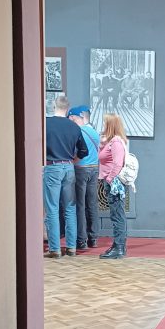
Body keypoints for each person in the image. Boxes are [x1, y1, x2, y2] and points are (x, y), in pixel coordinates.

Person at [43, 94, 88, 259]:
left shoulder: (46, 124)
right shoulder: (74, 127)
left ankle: (55, 249)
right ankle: (71, 248)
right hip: (69, 168)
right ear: (68, 109)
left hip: (52, 167)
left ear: (54, 106)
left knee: (52, 209)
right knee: (70, 208)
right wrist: (71, 161)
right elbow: (84, 151)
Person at [68, 105, 100, 251]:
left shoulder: (78, 132)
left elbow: (76, 151)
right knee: (92, 204)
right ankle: (93, 238)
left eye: (71, 118)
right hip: (94, 169)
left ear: (76, 117)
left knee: (80, 205)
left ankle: (81, 240)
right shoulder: (94, 132)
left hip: (80, 169)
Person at [98, 113, 128, 259]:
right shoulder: (111, 141)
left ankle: (119, 247)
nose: (103, 125)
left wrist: (109, 179)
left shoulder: (116, 142)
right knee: (115, 214)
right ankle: (117, 245)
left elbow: (117, 163)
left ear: (110, 125)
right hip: (111, 182)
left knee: (117, 215)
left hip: (114, 183)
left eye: (105, 123)